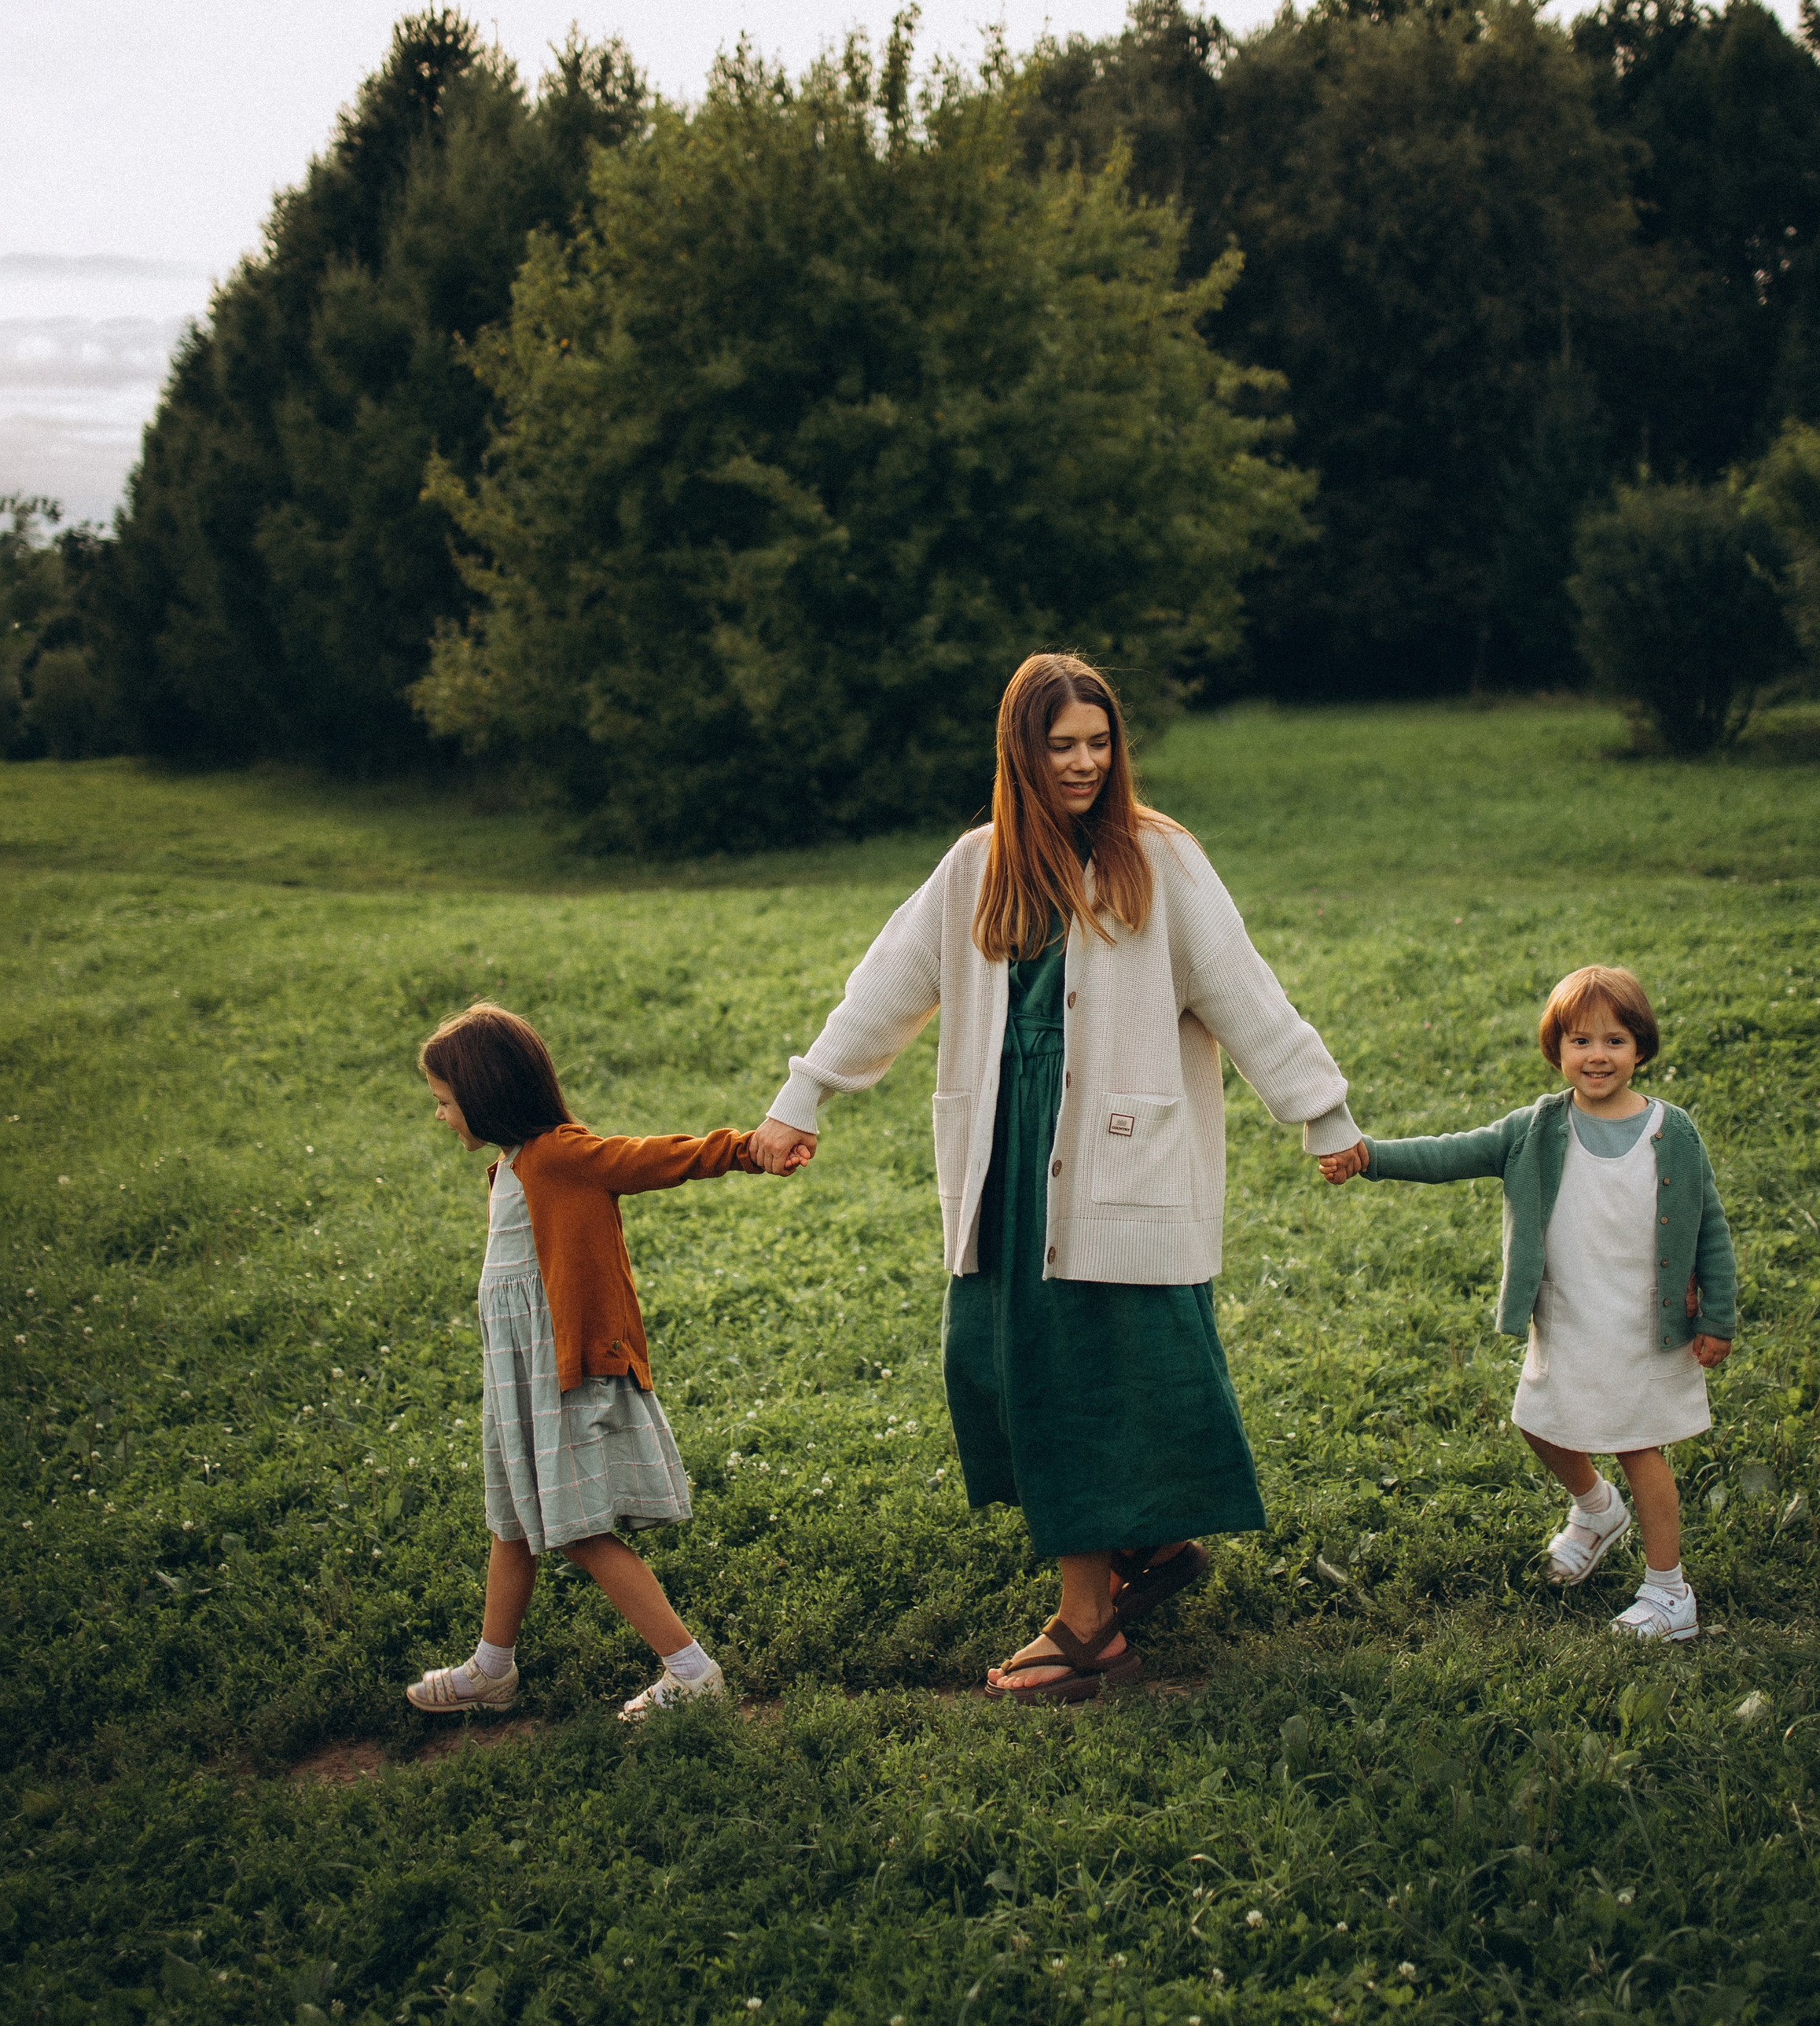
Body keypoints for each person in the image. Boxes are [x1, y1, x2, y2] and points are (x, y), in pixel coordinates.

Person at [745, 651, 1362, 1703]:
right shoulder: (975, 866)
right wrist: (803, 1095)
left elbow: (1242, 989)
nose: (1083, 763)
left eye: (1098, 743)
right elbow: (886, 985)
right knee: (1010, 1363)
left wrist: (1320, 1109)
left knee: (1099, 1370)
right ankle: (1149, 1545)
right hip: (1007, 1160)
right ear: (1019, 753)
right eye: (1061, 745)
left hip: (1118, 1159)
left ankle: (1089, 1629)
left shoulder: (1158, 858)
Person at [404, 1002, 802, 1722]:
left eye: (445, 1101)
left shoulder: (559, 1155)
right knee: (512, 1523)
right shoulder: (510, 1167)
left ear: (485, 1096)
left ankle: (692, 1672)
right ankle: (491, 1669)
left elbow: (648, 1158)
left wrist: (746, 1148)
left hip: (565, 1377)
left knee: (581, 1531)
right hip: (520, 1383)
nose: (439, 1115)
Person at [1325, 962, 1735, 1642]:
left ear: (1641, 1047)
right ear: (1557, 1049)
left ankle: (1670, 1594)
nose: (1597, 1055)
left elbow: (1710, 1226)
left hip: (1646, 1324)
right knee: (1539, 1422)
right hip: (1568, 1316)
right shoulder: (1536, 1128)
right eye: (1580, 1040)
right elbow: (1452, 1153)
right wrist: (1369, 1156)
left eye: (1614, 1040)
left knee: (1639, 1449)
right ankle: (1596, 1508)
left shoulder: (1674, 1132)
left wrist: (1717, 1315)